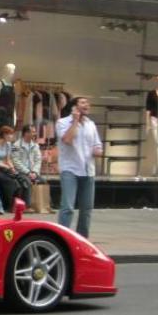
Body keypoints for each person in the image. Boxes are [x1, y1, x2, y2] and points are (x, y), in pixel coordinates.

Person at [56, 97, 103, 238]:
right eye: (83, 102)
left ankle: (82, 239)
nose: (87, 105)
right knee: (68, 207)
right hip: (70, 169)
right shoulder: (62, 122)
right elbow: (67, 140)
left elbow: (98, 145)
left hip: (88, 170)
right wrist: (75, 121)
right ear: (74, 107)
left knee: (86, 209)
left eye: (88, 103)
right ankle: (62, 237)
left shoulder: (91, 124)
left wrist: (98, 151)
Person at [0, 126, 27, 211]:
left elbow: (8, 159)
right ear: (4, 135)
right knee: (9, 182)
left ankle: (16, 205)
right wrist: (4, 165)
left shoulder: (8, 145)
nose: (12, 137)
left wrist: (12, 168)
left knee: (19, 180)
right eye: (10, 135)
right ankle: (8, 205)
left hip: (5, 168)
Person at [12, 124, 44, 210]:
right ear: (26, 133)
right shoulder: (16, 145)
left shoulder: (35, 145)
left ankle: (42, 205)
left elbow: (38, 160)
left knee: (43, 181)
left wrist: (34, 171)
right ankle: (27, 206)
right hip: (21, 172)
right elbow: (16, 162)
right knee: (27, 182)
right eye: (33, 132)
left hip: (33, 172)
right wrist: (28, 172)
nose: (35, 133)